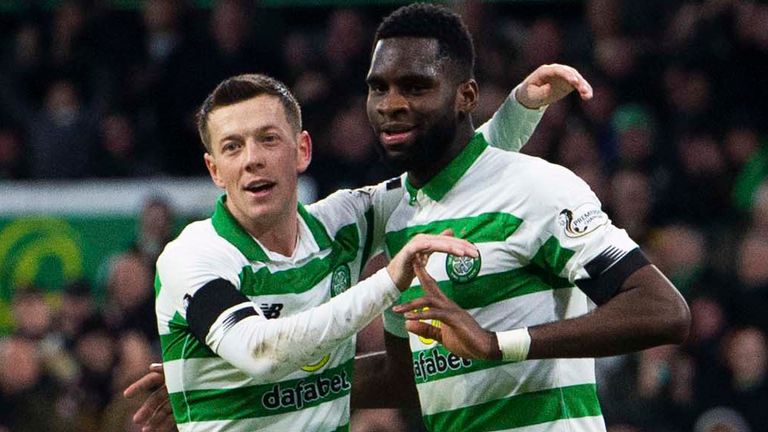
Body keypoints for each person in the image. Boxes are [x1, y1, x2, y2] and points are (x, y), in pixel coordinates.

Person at [133, 58, 592, 431]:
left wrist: (519, 110)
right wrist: (390, 281)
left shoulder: (342, 224)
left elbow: (446, 175)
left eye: (268, 139)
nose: (252, 159)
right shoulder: (193, 256)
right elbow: (260, 351)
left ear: (302, 150)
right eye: (232, 147)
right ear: (215, 170)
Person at [346, 4, 689, 432]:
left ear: (465, 96)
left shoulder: (536, 188)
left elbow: (663, 310)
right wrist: (264, 392)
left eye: (415, 87)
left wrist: (496, 344)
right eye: (378, 88)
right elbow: (402, 378)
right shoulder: (399, 222)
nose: (391, 104)